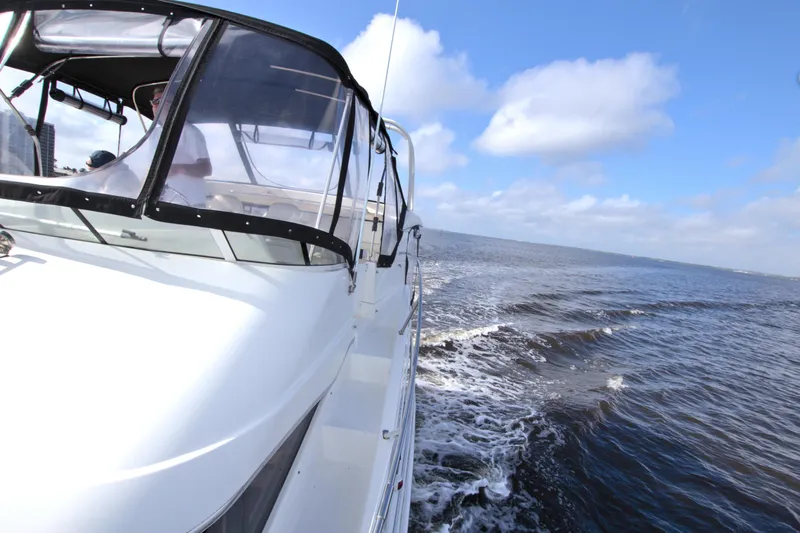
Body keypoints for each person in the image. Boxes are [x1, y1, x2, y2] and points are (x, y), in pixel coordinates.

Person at [150, 85, 212, 207]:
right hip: (162, 203)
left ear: (173, 104)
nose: (155, 105)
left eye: (160, 101)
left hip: (190, 204)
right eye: (153, 101)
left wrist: (177, 168)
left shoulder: (189, 132)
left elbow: (206, 168)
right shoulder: (154, 135)